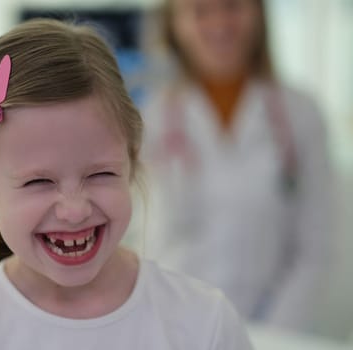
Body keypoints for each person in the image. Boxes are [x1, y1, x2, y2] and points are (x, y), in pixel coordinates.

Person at [0, 19, 253, 349]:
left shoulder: (205, 326)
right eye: (38, 181)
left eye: (101, 174)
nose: (74, 211)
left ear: (131, 163)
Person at [141, 0, 335, 331]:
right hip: (173, 325)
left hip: (273, 329)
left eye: (232, 6)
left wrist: (273, 332)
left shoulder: (300, 114)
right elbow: (140, 241)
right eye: (199, 11)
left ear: (258, 12)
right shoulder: (153, 118)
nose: (219, 22)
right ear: (174, 25)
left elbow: (317, 248)